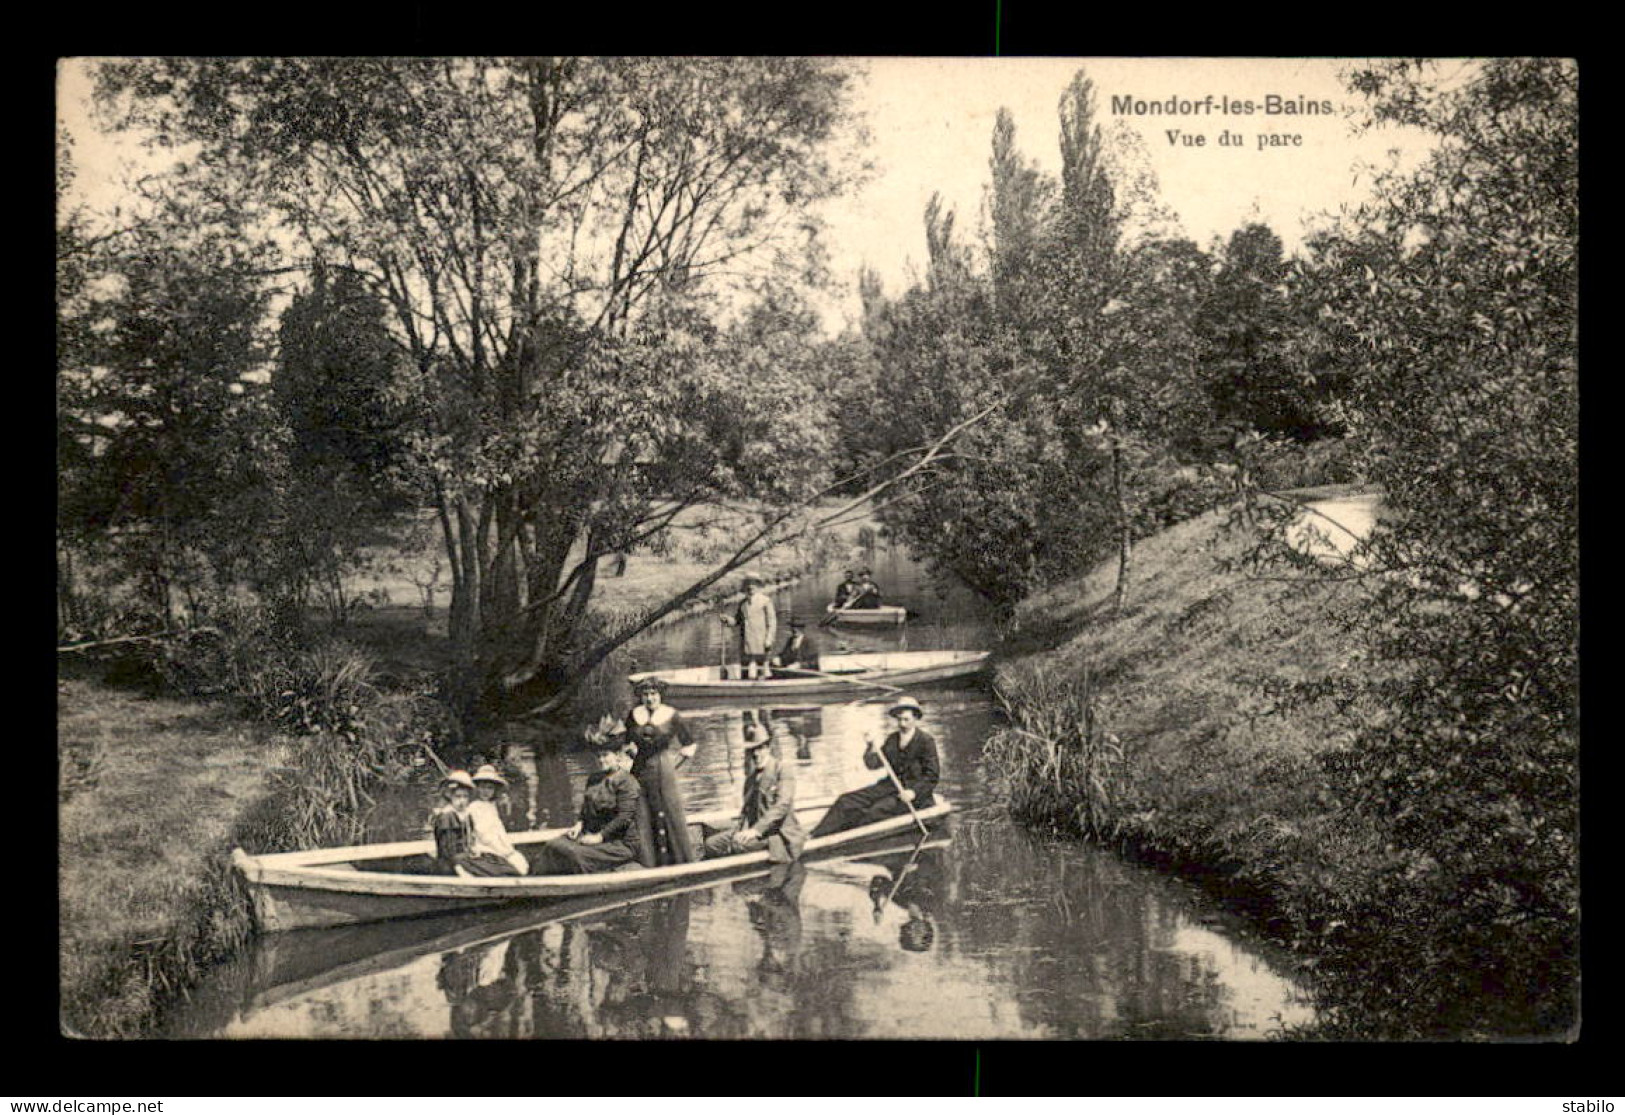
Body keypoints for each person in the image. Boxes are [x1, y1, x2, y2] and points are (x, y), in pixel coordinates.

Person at [809, 695, 939, 837]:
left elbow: (932, 776)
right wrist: (870, 746)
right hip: (889, 786)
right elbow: (873, 764)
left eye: (906, 719)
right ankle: (815, 835)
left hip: (913, 794)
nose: (902, 724)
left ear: (915, 719)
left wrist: (912, 792)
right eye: (899, 719)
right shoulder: (892, 739)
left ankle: (844, 835)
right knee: (846, 800)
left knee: (876, 811)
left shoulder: (926, 741)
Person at [703, 714, 806, 863]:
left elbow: (782, 806)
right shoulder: (751, 778)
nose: (756, 754)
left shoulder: (782, 770)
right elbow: (747, 810)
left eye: (760, 749)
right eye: (752, 751)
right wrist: (741, 831)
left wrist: (756, 830)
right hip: (753, 830)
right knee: (711, 844)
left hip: (777, 835)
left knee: (738, 845)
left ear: (768, 747)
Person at [535, 733, 642, 875]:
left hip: (619, 843)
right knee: (553, 845)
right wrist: (579, 824)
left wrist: (600, 836)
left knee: (574, 854)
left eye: (605, 755)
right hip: (591, 834)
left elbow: (624, 817)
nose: (601, 760)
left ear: (618, 756)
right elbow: (586, 808)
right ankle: (537, 881)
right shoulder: (594, 778)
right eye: (598, 756)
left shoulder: (627, 782)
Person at [624, 677, 698, 865]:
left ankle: (678, 860)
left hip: (664, 769)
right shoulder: (634, 715)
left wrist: (673, 766)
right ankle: (648, 861)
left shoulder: (672, 715)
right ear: (640, 696)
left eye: (653, 694)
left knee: (668, 811)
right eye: (645, 694)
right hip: (639, 769)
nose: (650, 698)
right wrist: (632, 755)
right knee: (641, 812)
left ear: (660, 695)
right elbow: (626, 743)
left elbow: (689, 744)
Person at [465, 764, 529, 876]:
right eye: (483, 787)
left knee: (521, 862)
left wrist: (509, 849)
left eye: (490, 788)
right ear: (477, 788)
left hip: (498, 848)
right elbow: (483, 835)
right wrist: (504, 852)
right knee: (514, 867)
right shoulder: (474, 807)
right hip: (484, 849)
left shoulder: (491, 806)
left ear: (495, 790)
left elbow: (499, 830)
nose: (486, 792)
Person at [725, 574, 777, 680]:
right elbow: (737, 621)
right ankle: (746, 691)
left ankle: (765, 691)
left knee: (762, 671)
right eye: (748, 584)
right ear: (745, 587)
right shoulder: (743, 603)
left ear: (758, 586)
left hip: (761, 642)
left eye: (753, 583)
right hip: (746, 643)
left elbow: (772, 622)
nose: (750, 587)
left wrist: (769, 639)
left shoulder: (765, 601)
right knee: (747, 671)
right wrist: (728, 620)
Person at [428, 770, 478, 876]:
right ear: (450, 796)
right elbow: (447, 849)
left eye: (465, 797)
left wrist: (473, 849)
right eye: (458, 796)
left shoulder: (466, 815)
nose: (462, 801)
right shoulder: (447, 816)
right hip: (451, 864)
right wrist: (459, 868)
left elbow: (470, 838)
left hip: (465, 858)